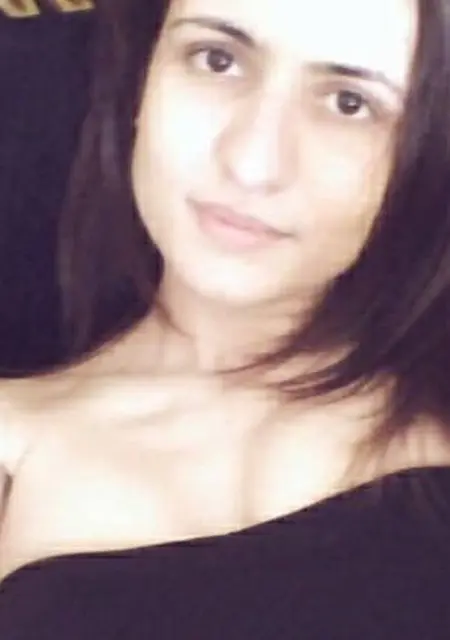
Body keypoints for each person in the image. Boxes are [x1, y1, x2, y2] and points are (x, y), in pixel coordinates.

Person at [1, 0, 450, 636]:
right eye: (217, 60)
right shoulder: (16, 441)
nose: (252, 163)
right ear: (142, 77)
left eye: (350, 104)